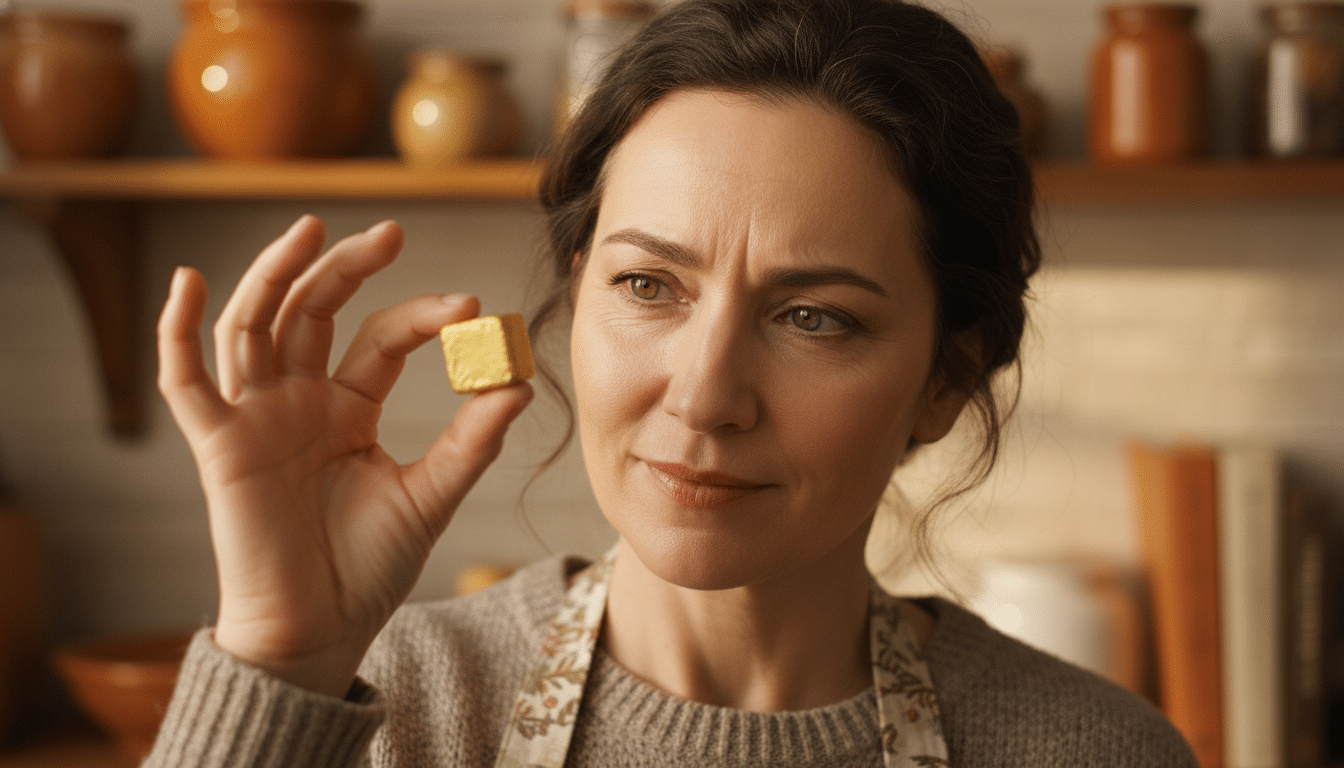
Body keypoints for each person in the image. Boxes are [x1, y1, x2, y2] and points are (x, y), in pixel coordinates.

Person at [146, 0, 1198, 766]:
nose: (703, 396)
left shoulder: (1094, 750)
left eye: (813, 317)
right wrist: (280, 667)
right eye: (648, 284)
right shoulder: (397, 710)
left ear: (945, 380)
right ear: (575, 298)